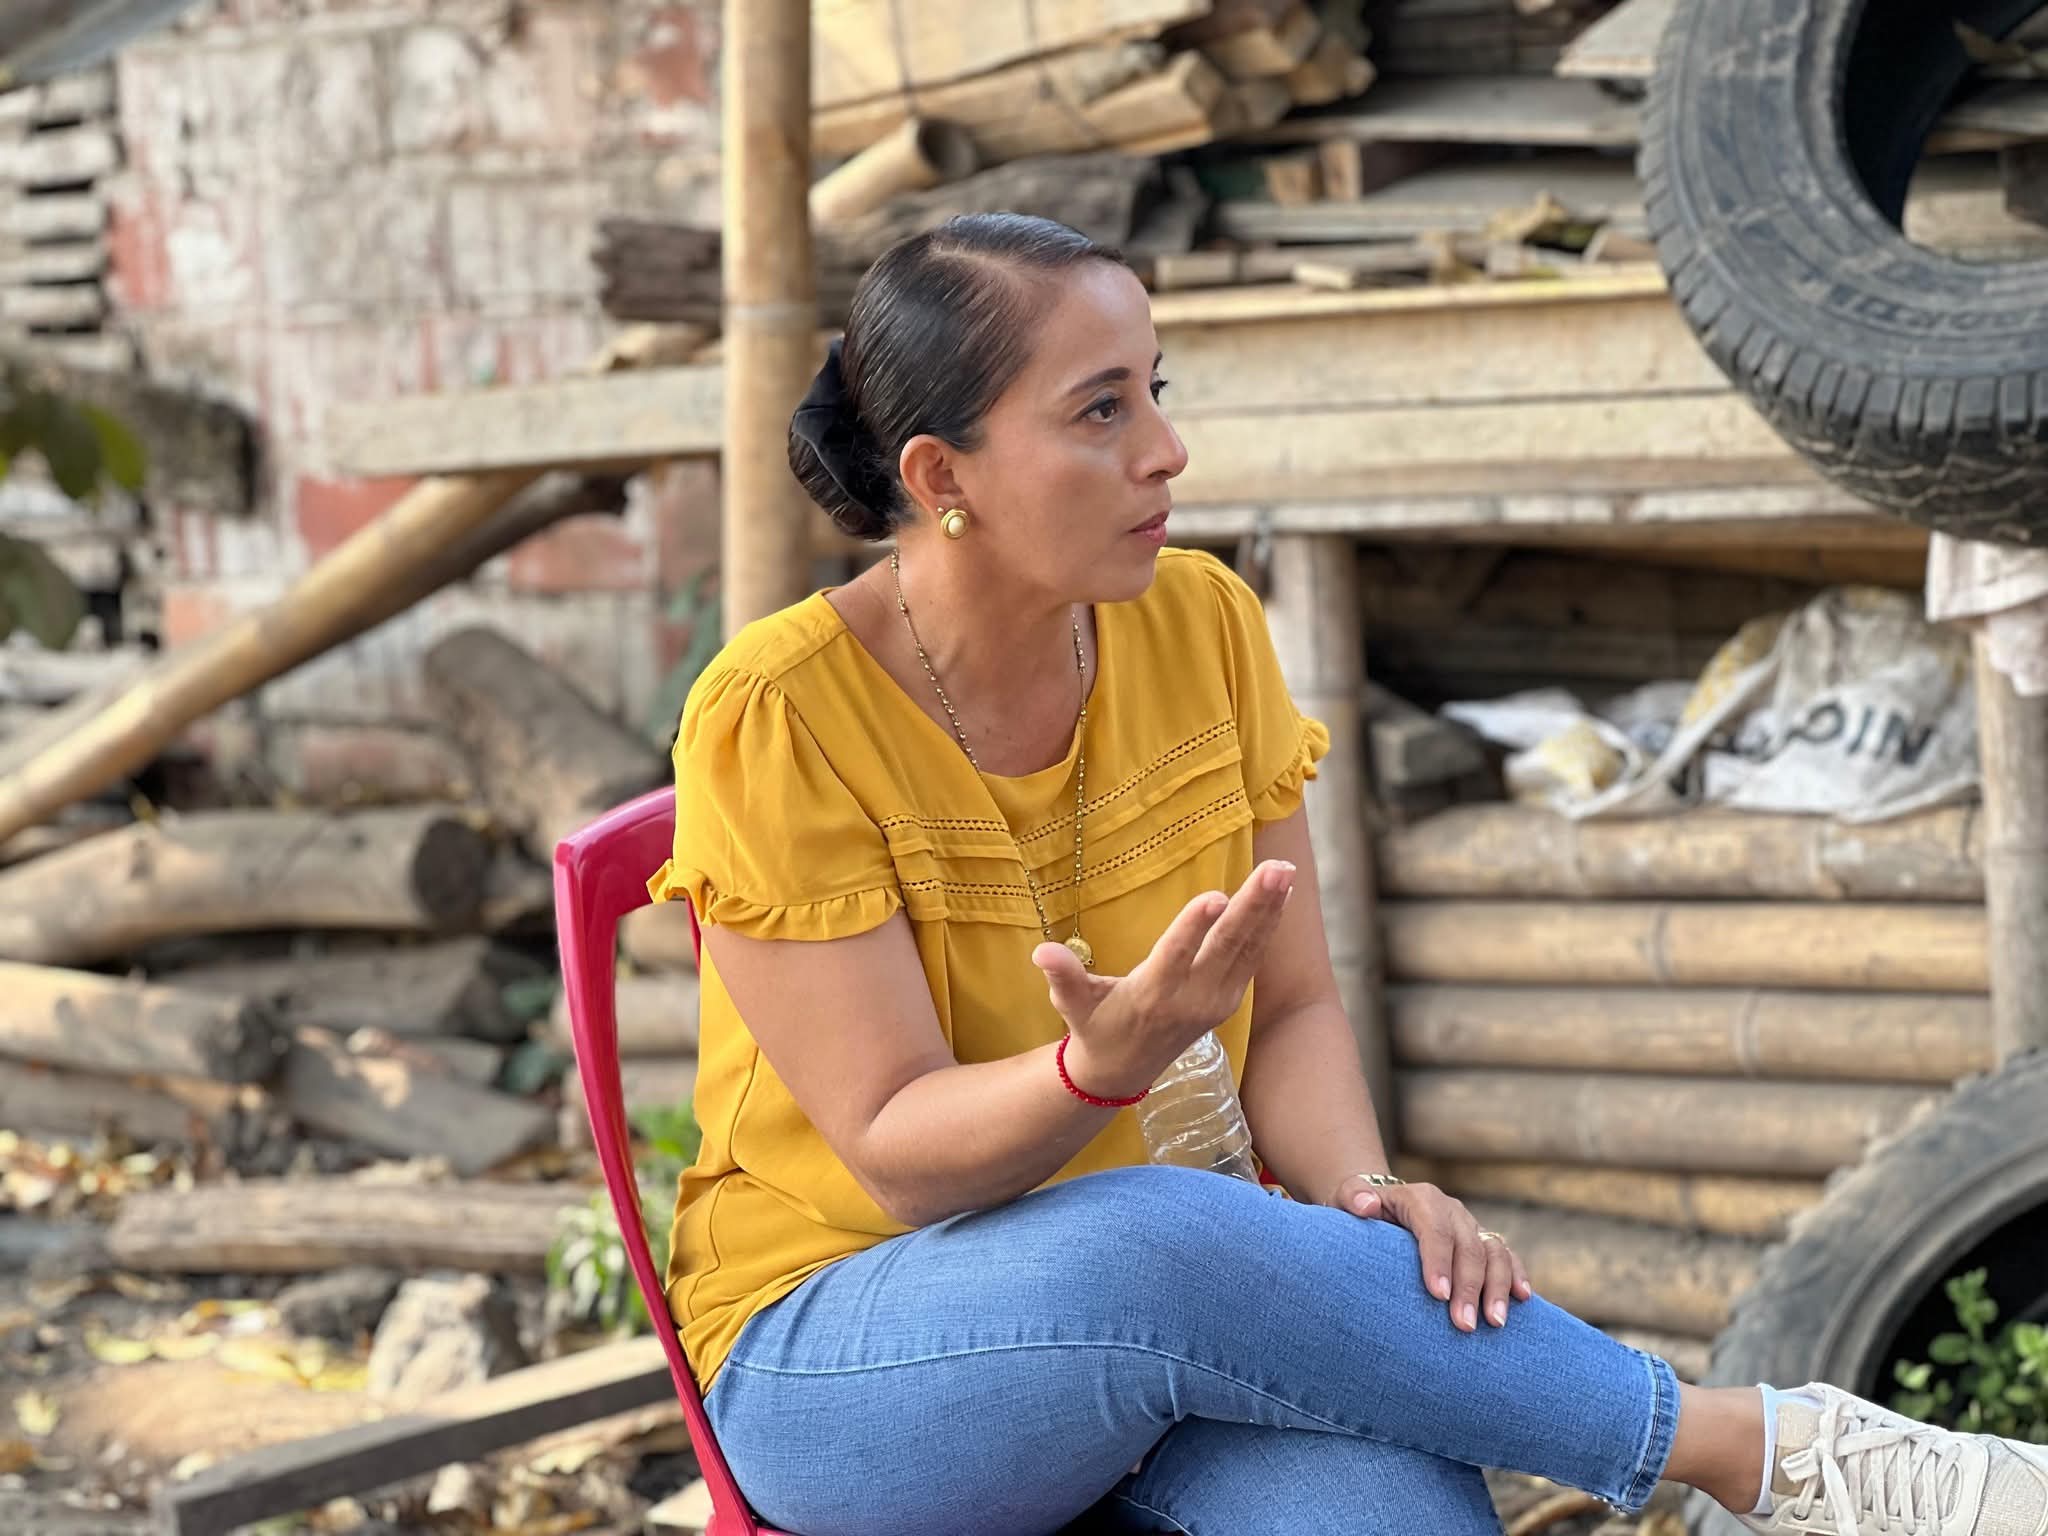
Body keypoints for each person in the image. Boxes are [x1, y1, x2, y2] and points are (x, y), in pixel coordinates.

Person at [644, 212, 2048, 1536]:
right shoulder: (777, 715)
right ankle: (1763, 1451)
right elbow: (895, 1154)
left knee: (1400, 1508)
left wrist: (1366, 1203)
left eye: (1154, 391)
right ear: (942, 477)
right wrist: (1096, 1072)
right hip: (848, 1351)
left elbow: (1299, 1007)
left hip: (1183, 1313)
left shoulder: (1201, 624)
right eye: (1100, 411)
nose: (1167, 451)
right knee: (1159, 1238)